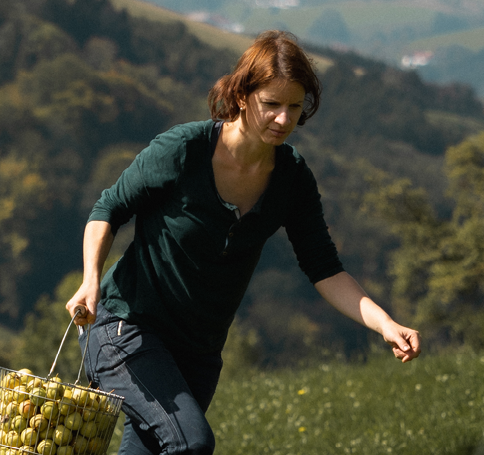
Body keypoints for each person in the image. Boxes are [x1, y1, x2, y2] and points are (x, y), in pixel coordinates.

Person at [65, 30, 422, 454]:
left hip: (198, 353)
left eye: (294, 106)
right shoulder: (182, 151)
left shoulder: (291, 179)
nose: (284, 119)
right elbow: (107, 210)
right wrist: (90, 281)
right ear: (240, 95)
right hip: (126, 328)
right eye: (271, 104)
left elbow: (324, 267)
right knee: (191, 444)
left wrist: (385, 323)